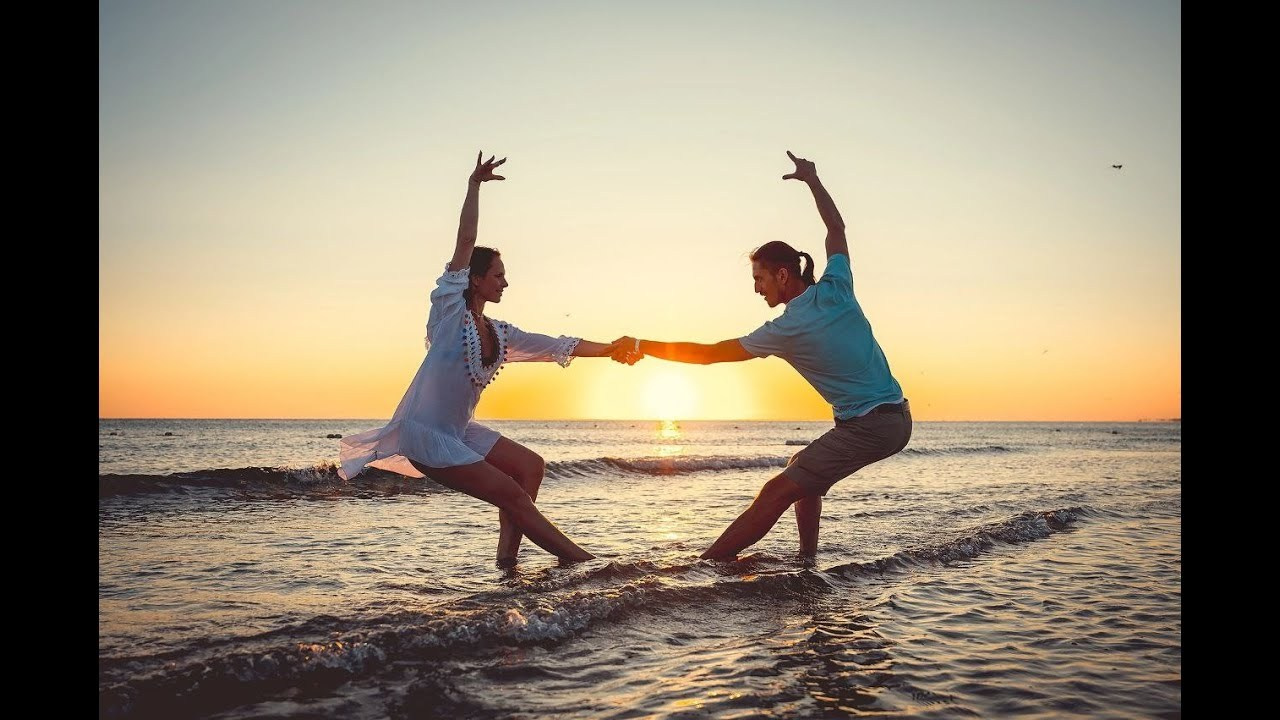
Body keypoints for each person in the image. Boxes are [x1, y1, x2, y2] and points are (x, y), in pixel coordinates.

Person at [611, 151, 911, 560]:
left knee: (776, 490)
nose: (756, 288)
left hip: (872, 426)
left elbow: (709, 355)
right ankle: (807, 560)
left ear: (782, 275)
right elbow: (836, 228)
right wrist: (812, 180)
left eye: (759, 278)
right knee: (802, 469)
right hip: (891, 418)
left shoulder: (787, 328)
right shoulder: (836, 285)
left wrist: (642, 345)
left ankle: (710, 564)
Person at [340, 151, 619, 565]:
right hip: (428, 435)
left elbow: (557, 345)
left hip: (460, 432)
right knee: (510, 494)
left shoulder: (500, 333)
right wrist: (474, 186)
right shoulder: (449, 313)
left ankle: (507, 559)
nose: (505, 282)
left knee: (530, 468)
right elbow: (466, 241)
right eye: (498, 275)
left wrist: (612, 350)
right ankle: (584, 563)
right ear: (474, 279)